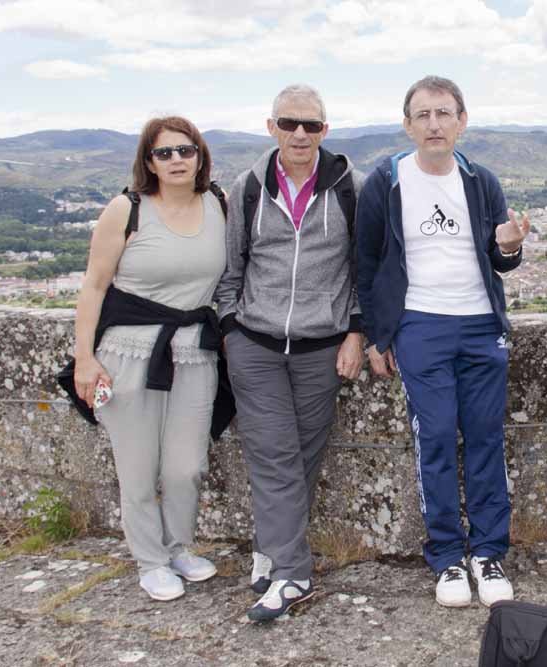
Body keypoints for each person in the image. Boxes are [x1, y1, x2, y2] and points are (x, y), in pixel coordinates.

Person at [356, 75, 530, 608]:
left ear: (462, 121)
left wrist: (510, 247)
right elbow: (365, 262)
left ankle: (489, 554)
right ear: (407, 124)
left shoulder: (482, 181)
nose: (434, 123)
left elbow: (501, 260)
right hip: (419, 325)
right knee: (433, 437)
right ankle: (449, 558)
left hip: (480, 324)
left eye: (444, 113)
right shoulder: (385, 182)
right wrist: (374, 334)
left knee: (484, 437)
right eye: (423, 114)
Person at [213, 84, 364, 621]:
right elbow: (231, 270)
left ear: (326, 130)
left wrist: (356, 332)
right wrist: (231, 329)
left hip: (321, 347)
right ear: (271, 126)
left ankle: (269, 548)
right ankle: (292, 574)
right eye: (289, 123)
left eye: (312, 125)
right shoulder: (248, 188)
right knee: (274, 454)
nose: (300, 134)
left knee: (303, 454)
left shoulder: (352, 188)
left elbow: (362, 270)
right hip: (254, 343)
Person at [73, 116, 226, 601]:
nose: (177, 160)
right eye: (165, 153)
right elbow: (94, 286)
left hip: (195, 355)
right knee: (137, 467)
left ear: (200, 156)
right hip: (128, 353)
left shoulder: (219, 204)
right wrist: (84, 359)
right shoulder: (127, 209)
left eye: (186, 151)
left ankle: (179, 547)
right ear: (148, 161)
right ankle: (150, 560)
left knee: (187, 465)